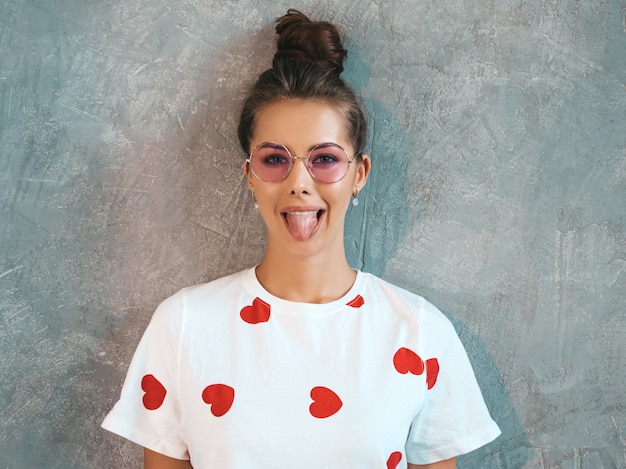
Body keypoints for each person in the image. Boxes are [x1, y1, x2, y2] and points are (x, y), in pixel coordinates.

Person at [102, 9, 501, 469]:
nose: (300, 183)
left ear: (359, 174)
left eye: (324, 159)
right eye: (275, 159)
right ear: (249, 175)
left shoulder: (421, 333)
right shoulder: (184, 326)